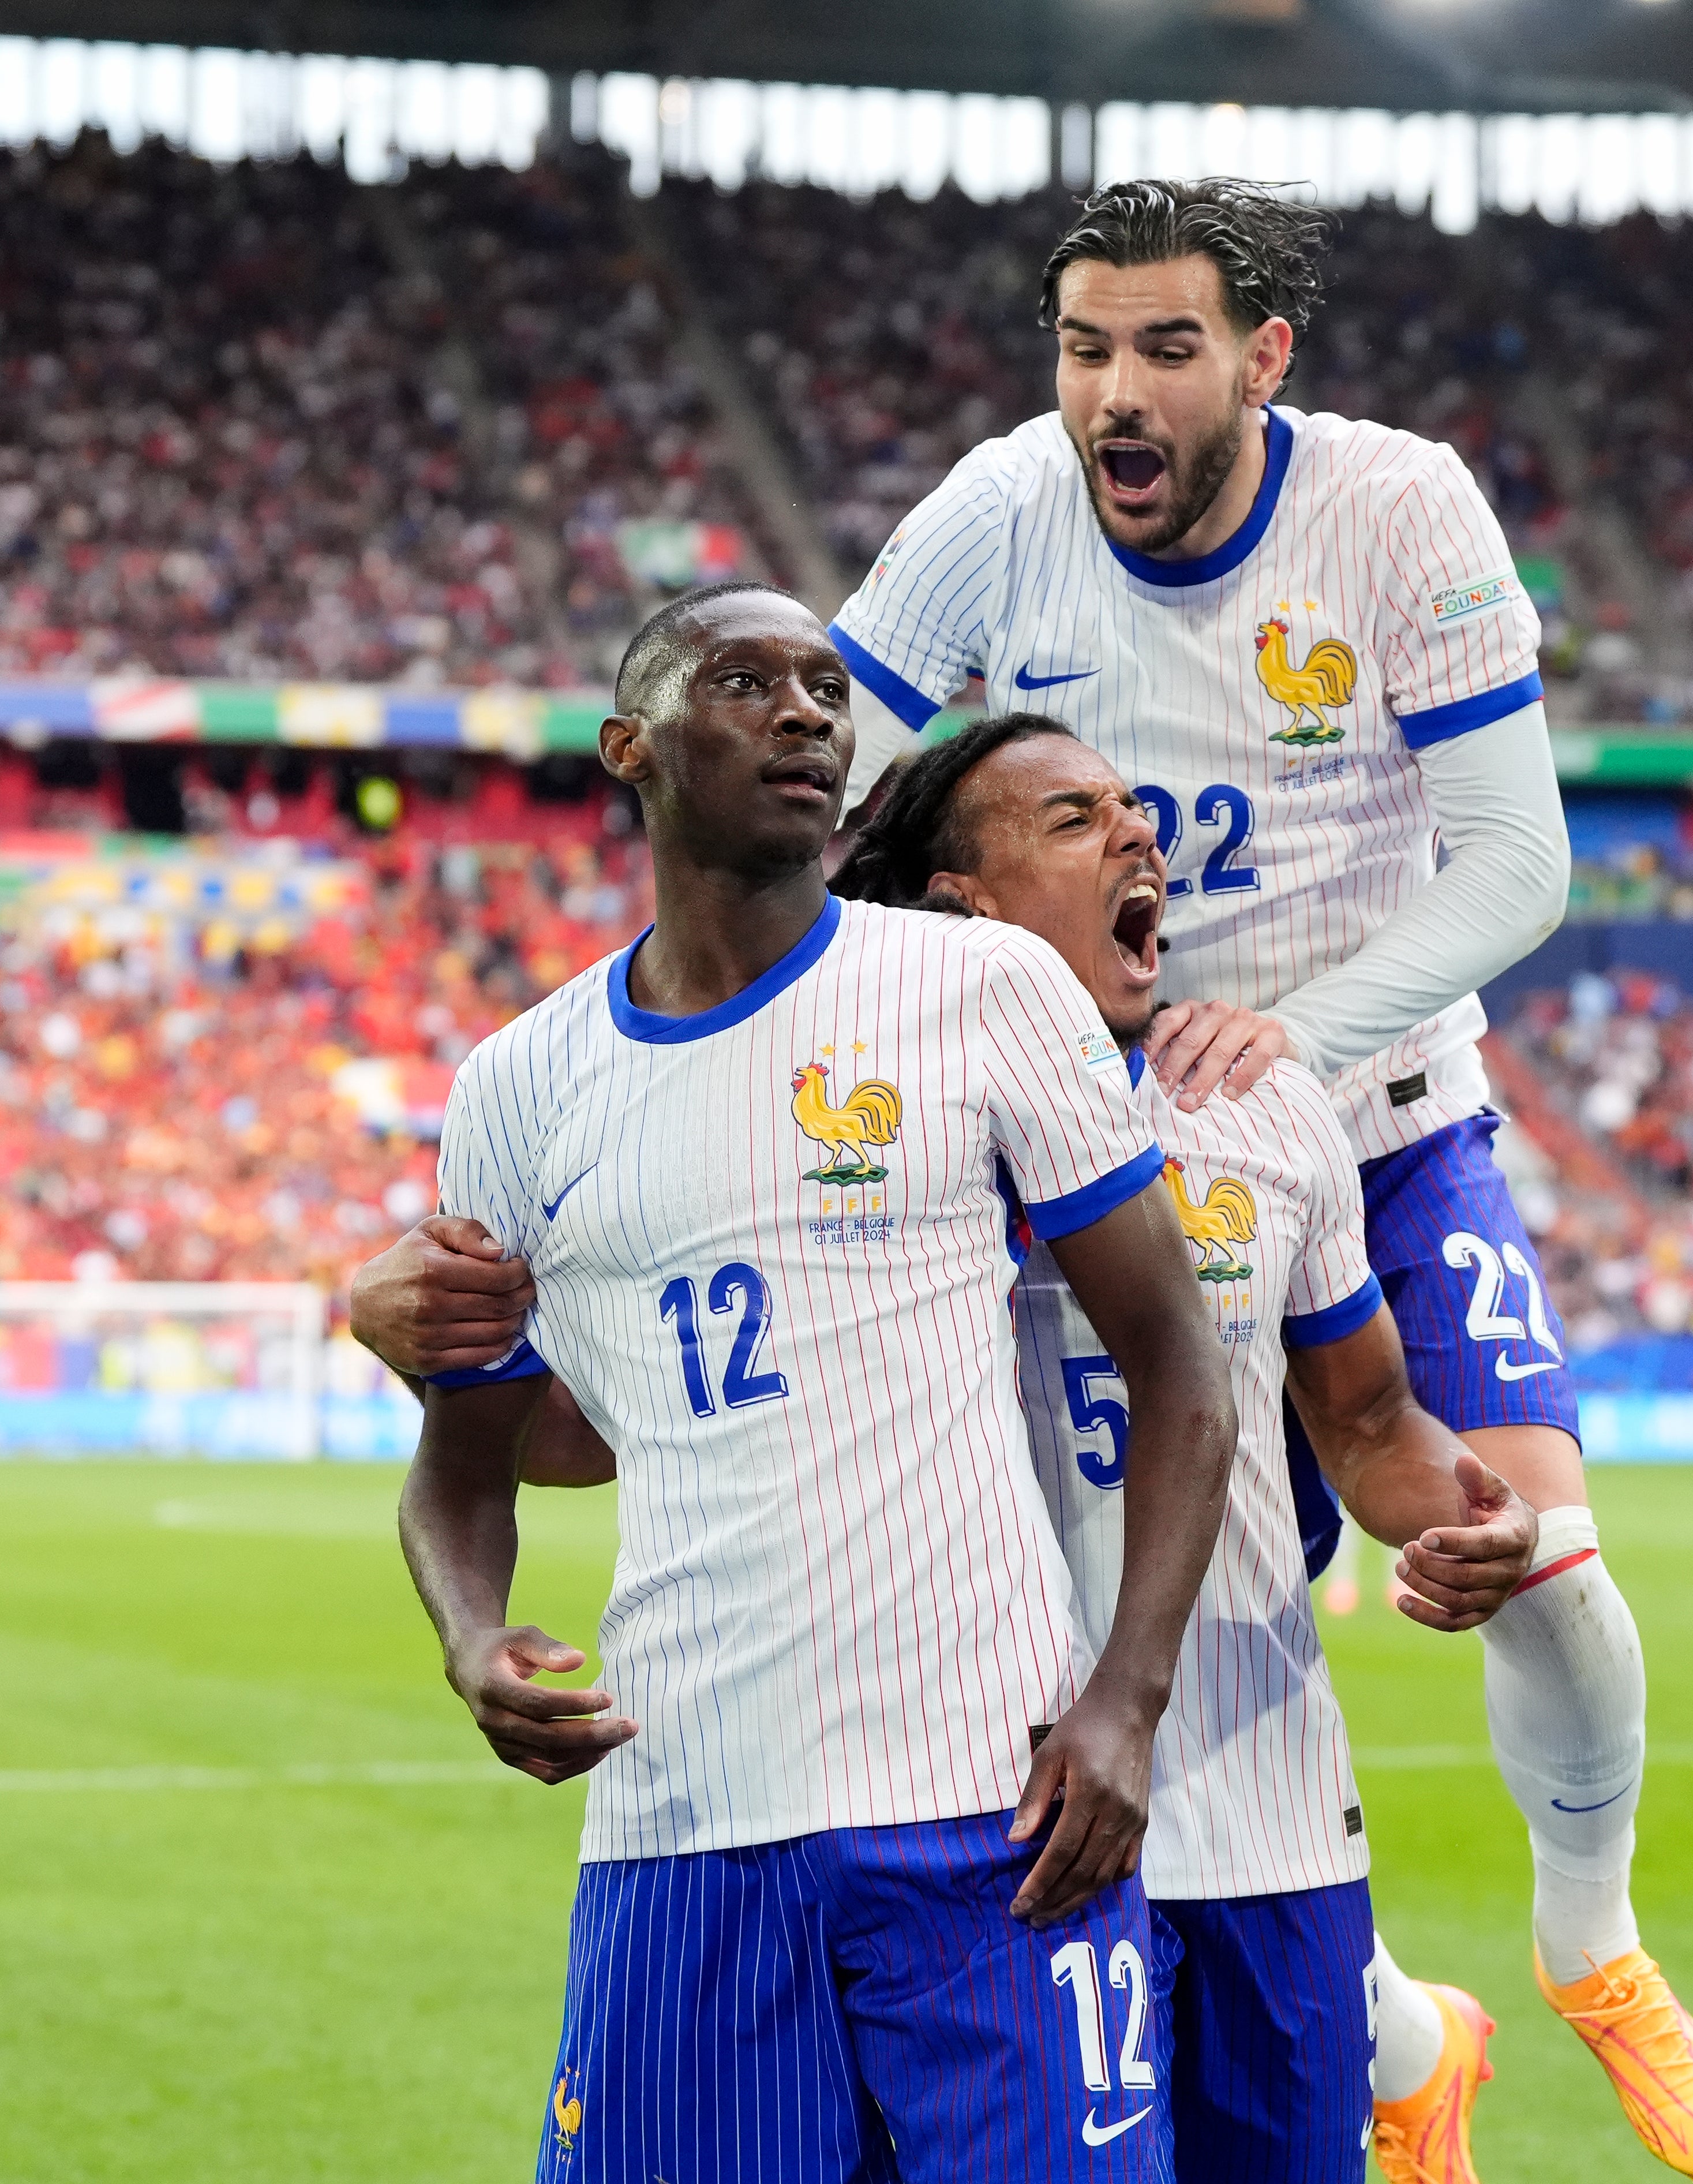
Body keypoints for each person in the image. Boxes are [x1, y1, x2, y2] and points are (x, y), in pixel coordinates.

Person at [358, 181, 1693, 2183]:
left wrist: (1291, 1043)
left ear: (1261, 361)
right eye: (1083, 346)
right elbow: (791, 783)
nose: (1114, 388)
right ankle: (1385, 2039)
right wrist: (633, 1089)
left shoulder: (1400, 511)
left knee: (1535, 1549)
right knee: (1096, 1633)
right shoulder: (990, 517)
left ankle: (1590, 1941)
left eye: (1164, 348)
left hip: (1356, 1103)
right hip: (1060, 1120)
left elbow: (1517, 867)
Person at [503, 711, 1546, 2184]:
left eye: (1132, 808)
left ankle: (1398, 2035)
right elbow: (635, 1414)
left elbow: (1368, 1420)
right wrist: (432, 1329)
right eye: (1071, 820)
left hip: (1254, 1821)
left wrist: (1456, 1510)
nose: (1140, 834)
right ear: (958, 902)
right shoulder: (840, 1127)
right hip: (964, 1827)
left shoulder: (1258, 1109)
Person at [396, 583, 1239, 2183]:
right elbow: (467, 1458)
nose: (805, 713)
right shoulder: (516, 1087)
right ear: (627, 748)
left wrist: (1126, 1701)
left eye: (823, 688)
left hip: (990, 1814)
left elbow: (1179, 1369)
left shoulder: (976, 992)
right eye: (744, 682)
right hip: (682, 1820)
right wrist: (467, 1638)